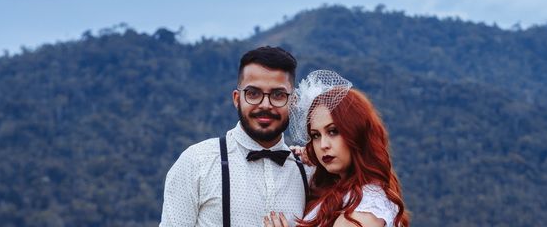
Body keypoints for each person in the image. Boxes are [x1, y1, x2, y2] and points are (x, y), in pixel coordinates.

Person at [160, 46, 308, 227]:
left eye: (278, 95)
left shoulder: (308, 172)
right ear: (237, 99)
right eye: (253, 93)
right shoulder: (197, 162)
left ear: (293, 102)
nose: (265, 104)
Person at [264, 70, 410, 227]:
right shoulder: (340, 190)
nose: (323, 145)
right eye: (315, 135)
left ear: (356, 133)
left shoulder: (365, 208)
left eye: (333, 131)